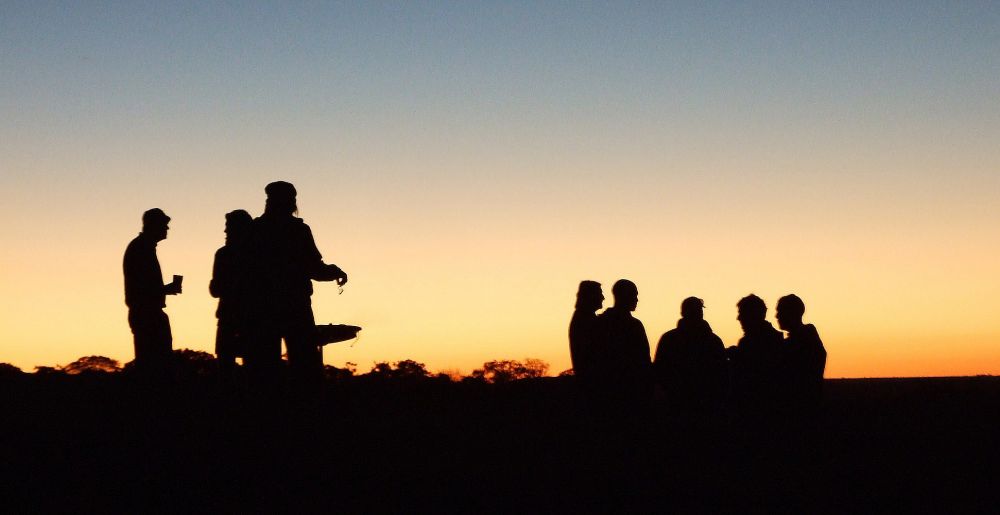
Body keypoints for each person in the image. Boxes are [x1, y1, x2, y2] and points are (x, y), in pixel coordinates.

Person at [245, 181, 348, 388]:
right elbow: (313, 268)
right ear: (290, 202)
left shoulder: (255, 230)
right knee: (304, 365)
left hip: (261, 308)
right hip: (294, 305)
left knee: (264, 369)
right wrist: (334, 272)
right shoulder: (298, 230)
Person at [123, 208, 182, 378]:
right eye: (164, 225)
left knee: (153, 365)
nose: (167, 229)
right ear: (153, 225)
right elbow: (141, 289)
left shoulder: (142, 248)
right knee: (153, 368)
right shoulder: (141, 249)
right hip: (147, 314)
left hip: (148, 313)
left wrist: (164, 290)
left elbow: (143, 285)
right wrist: (165, 289)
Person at [653, 297, 727, 414]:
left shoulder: (669, 339)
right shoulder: (714, 341)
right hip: (700, 406)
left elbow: (659, 372)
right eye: (696, 311)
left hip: (681, 405)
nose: (697, 314)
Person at [209, 209, 253, 382]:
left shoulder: (223, 254)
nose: (225, 231)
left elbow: (215, 289)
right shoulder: (254, 255)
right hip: (242, 320)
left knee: (226, 370)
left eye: (229, 227)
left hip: (236, 319)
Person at [594, 279, 652, 407]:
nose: (636, 299)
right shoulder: (634, 325)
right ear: (623, 296)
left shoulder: (601, 323)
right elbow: (644, 361)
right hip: (629, 392)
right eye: (634, 295)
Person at [728, 294, 784, 417]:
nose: (738, 318)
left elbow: (754, 377)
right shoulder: (773, 340)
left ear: (752, 316)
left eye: (742, 313)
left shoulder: (760, 343)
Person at [776, 294, 827, 414]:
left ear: (792, 313)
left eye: (780, 311)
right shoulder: (807, 338)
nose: (777, 316)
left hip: (800, 409)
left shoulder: (799, 343)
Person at [569, 280, 604, 381]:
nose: (602, 298)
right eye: (599, 294)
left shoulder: (583, 317)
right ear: (590, 296)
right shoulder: (584, 320)